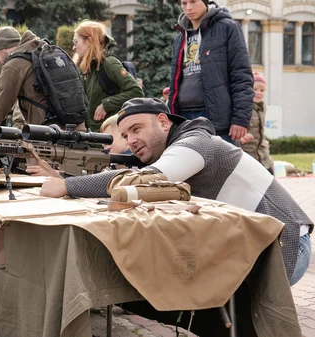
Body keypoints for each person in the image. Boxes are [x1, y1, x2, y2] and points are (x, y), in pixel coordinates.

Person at [40, 97, 312, 286]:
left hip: (283, 243)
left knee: (235, 311)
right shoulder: (176, 148)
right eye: (126, 135)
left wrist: (66, 185)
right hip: (253, 241)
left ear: (163, 121)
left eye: (137, 129)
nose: (131, 141)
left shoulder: (195, 143)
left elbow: (146, 180)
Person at [167, 0, 253, 145]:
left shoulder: (227, 27)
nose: (188, 8)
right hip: (183, 116)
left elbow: (242, 75)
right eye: (184, 3)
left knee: (221, 166)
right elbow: (174, 81)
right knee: (190, 166)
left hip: (216, 117)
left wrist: (240, 118)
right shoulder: (180, 37)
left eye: (193, 2)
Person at [72, 21, 144, 132]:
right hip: (94, 136)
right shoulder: (87, 68)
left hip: (110, 137)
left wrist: (106, 104)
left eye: (76, 42)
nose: (73, 47)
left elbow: (136, 91)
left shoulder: (109, 63)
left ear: (89, 41)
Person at [240, 72, 274, 174]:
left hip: (262, 153)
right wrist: (240, 138)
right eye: (255, 89)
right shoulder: (243, 107)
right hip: (247, 152)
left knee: (270, 176)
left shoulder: (262, 107)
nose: (259, 93)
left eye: (262, 90)